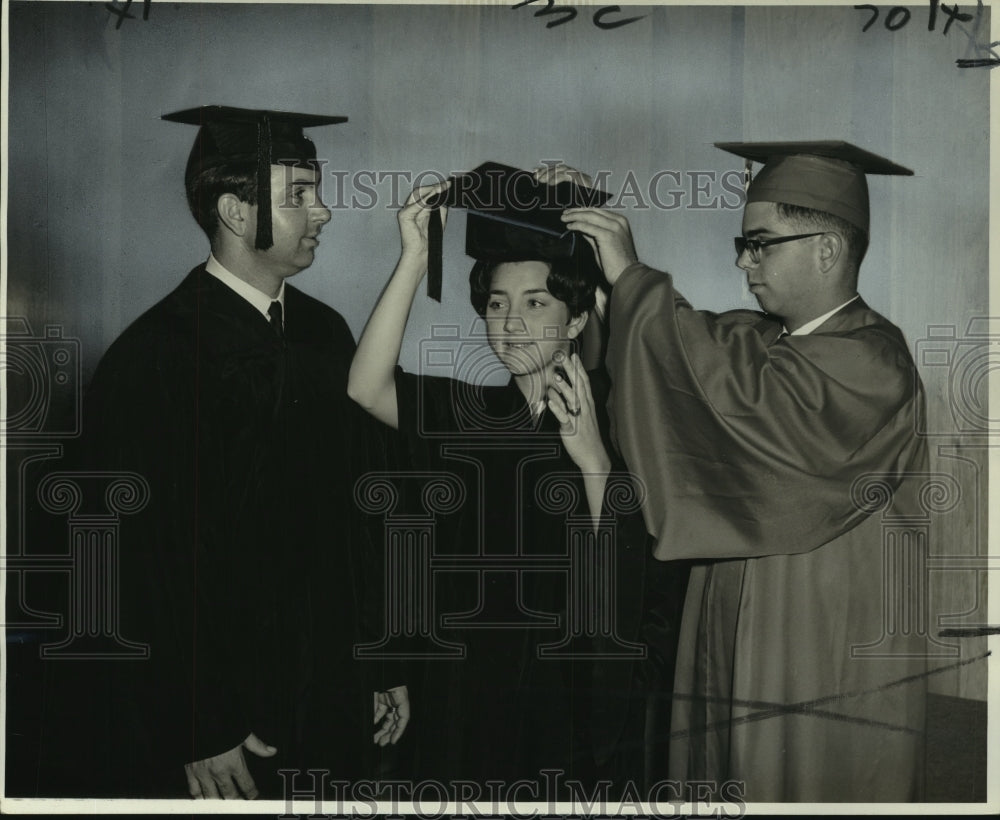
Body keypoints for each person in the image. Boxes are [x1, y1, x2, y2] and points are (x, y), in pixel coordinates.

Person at [36, 105, 408, 799]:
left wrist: (381, 660)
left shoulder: (325, 337)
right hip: (220, 711)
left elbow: (367, 508)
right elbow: (125, 563)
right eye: (300, 194)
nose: (322, 212)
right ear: (237, 213)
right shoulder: (157, 357)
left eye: (316, 191)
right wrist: (196, 721)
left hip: (330, 689)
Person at [561, 141, 929, 802]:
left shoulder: (874, 364)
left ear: (827, 249)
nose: (742, 261)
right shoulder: (761, 341)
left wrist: (633, 275)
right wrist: (605, 260)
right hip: (731, 624)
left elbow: (735, 387)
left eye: (761, 243)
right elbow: (687, 356)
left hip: (814, 641)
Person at [347, 163, 683, 793]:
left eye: (536, 303)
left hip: (562, 694)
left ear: (578, 320)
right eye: (497, 304)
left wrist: (594, 464)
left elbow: (628, 581)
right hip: (462, 686)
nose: (511, 322)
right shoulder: (471, 412)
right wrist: (415, 258)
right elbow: (366, 388)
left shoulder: (620, 422)